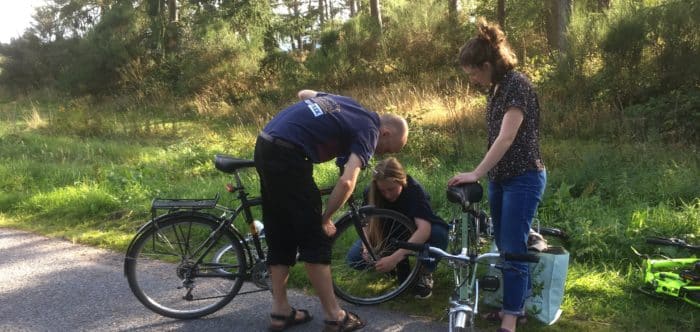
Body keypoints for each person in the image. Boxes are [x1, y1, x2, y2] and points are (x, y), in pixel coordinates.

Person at [254, 89, 408, 332]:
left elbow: (305, 94)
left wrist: (312, 123)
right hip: (288, 154)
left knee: (280, 233)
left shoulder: (349, 105)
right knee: (315, 237)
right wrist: (324, 218)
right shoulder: (369, 129)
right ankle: (335, 317)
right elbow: (348, 182)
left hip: (265, 143)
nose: (383, 154)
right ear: (385, 132)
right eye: (388, 150)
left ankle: (280, 311)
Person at [447, 18, 546, 332]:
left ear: (488, 65)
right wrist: (484, 176)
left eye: (474, 72)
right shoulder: (497, 87)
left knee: (514, 245)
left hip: (524, 178)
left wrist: (476, 173)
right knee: (505, 245)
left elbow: (506, 138)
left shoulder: (518, 86)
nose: (472, 79)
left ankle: (511, 318)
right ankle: (515, 307)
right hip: (501, 180)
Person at [345, 157, 448, 299]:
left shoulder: (414, 190)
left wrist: (395, 258)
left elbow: (424, 229)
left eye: (391, 189)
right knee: (354, 258)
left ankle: (424, 272)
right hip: (387, 233)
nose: (387, 195)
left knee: (439, 234)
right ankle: (388, 268)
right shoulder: (371, 191)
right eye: (383, 190)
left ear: (401, 180)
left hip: (412, 234)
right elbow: (366, 223)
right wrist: (365, 247)